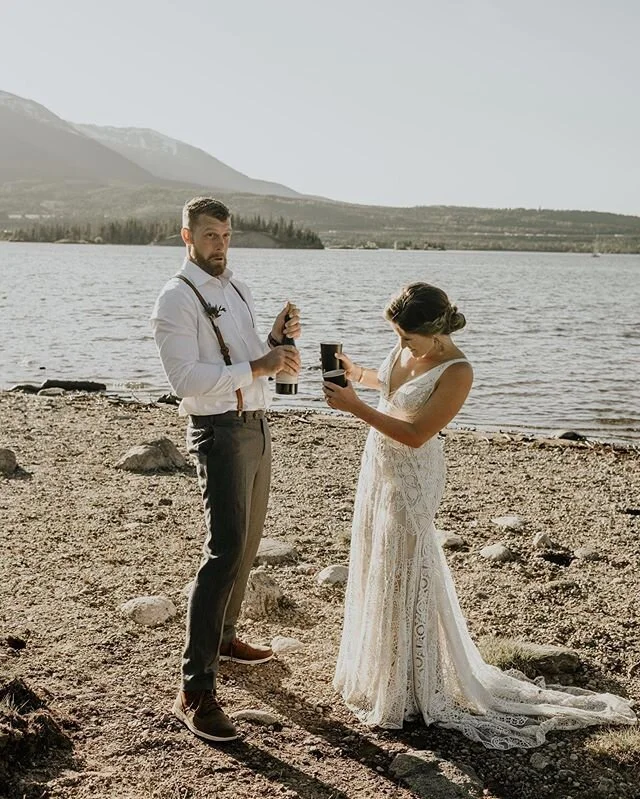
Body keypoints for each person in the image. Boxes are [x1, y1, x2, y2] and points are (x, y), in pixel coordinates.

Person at [323, 282, 636, 749]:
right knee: (380, 562)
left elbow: (416, 433)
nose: (401, 344)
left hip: (412, 473)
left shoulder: (458, 371)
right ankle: (385, 667)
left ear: (436, 333)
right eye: (397, 336)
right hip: (379, 469)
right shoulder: (407, 345)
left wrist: (356, 408)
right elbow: (393, 385)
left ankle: (413, 682)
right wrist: (359, 373)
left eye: (407, 338)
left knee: (409, 566)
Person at [151, 197, 301, 742]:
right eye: (211, 235)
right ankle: (194, 688)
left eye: (228, 235)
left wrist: (277, 347)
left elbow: (248, 360)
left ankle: (225, 637)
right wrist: (259, 365)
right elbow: (187, 381)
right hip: (219, 432)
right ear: (186, 236)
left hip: (257, 426)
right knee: (223, 551)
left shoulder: (239, 290)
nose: (221, 244)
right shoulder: (175, 297)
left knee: (248, 544)